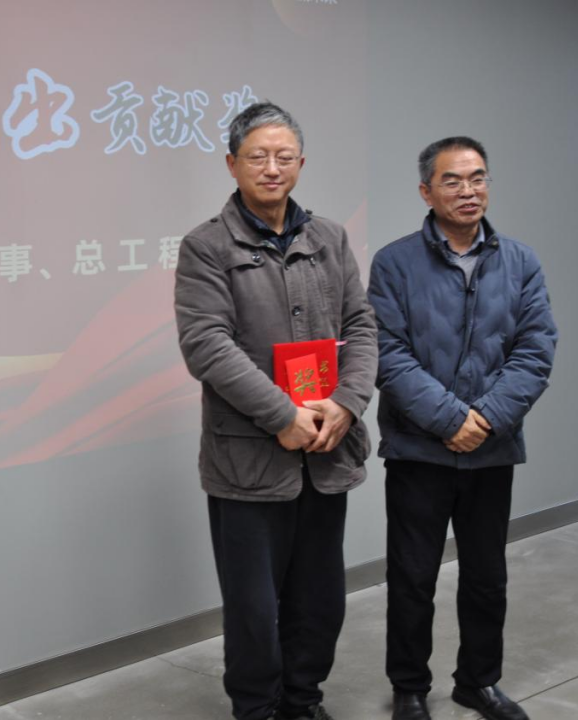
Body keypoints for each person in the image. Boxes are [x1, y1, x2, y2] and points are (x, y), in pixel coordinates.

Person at [175, 102, 377, 720]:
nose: (272, 168)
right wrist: (283, 416)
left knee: (320, 599)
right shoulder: (207, 245)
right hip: (249, 461)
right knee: (254, 608)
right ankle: (258, 709)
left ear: (301, 164)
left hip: (326, 450)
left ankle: (303, 701)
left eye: (284, 156)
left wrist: (346, 404)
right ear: (232, 163)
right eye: (258, 156)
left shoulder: (329, 238)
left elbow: (362, 326)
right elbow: (207, 345)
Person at [367, 137, 557, 720]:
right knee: (412, 578)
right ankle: (409, 688)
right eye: (452, 180)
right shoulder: (394, 263)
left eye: (478, 178)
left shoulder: (520, 261)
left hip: (491, 450)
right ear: (426, 191)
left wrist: (488, 419)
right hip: (418, 450)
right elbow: (388, 355)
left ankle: (479, 681)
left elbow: (535, 351)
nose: (468, 191)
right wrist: (451, 419)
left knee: (486, 577)